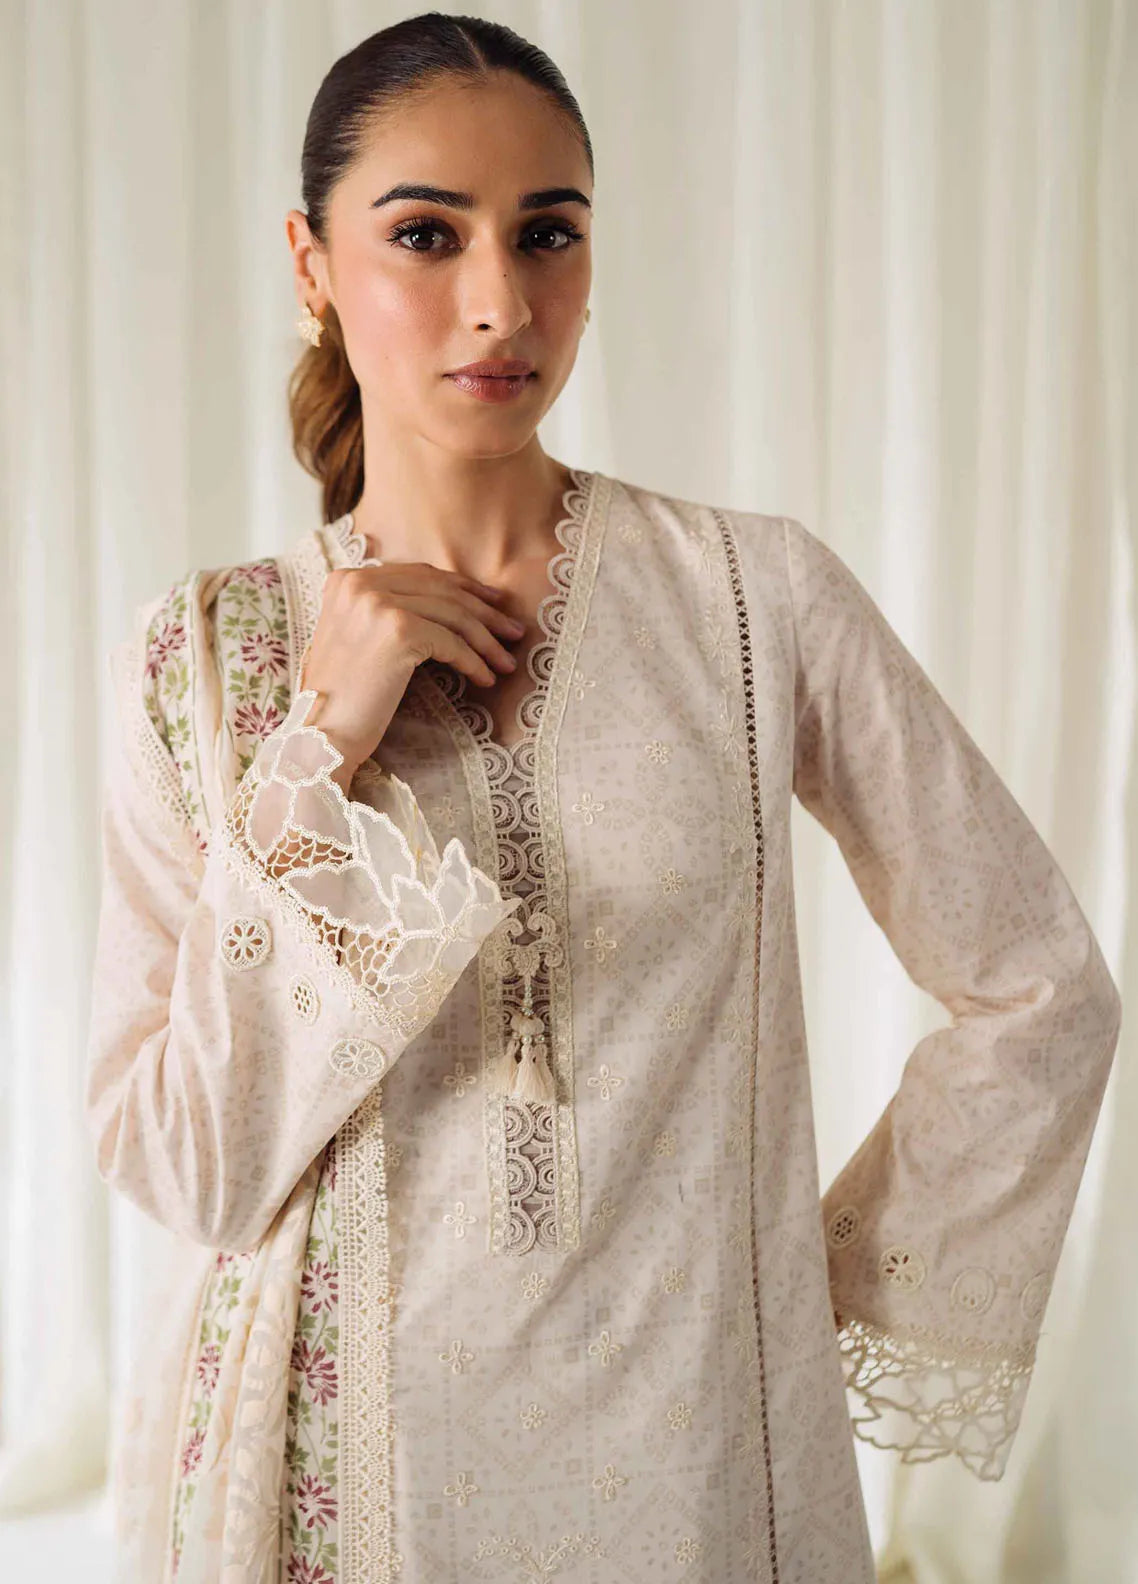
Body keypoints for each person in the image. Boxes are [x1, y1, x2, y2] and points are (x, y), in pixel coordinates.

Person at [83, 13, 1122, 1584]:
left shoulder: (753, 601)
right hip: (346, 1494)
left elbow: (1039, 987)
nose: (500, 301)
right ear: (311, 263)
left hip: (693, 1473)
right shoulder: (206, 656)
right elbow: (182, 1165)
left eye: (547, 232)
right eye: (424, 234)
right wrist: (321, 739)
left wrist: (801, 1295)